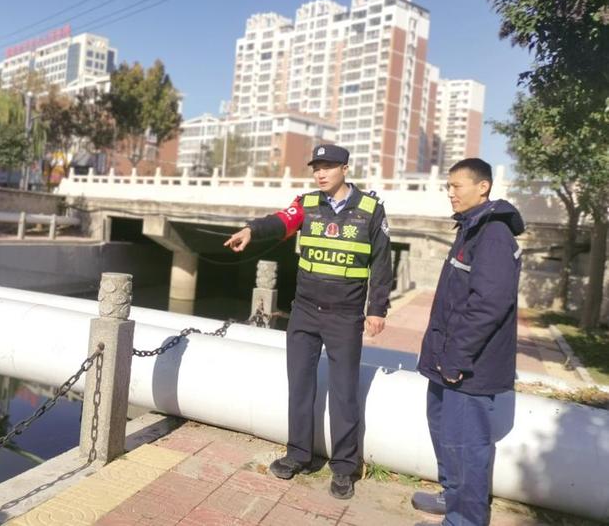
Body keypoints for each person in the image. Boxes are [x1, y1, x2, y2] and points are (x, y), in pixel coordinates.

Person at [224, 144, 392, 500]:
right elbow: (280, 220)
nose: (321, 172)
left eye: (328, 166)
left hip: (345, 316)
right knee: (299, 386)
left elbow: (381, 263)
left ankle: (344, 467)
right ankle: (298, 454)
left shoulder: (370, 210)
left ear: (345, 168)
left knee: (344, 393)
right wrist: (252, 230)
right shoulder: (307, 204)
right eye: (317, 166)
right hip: (303, 311)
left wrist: (377, 308)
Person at [412, 158, 524, 526]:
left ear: (483, 187)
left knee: (467, 445)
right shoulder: (471, 229)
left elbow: (490, 304)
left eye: (457, 186)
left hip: (468, 365)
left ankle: (465, 520)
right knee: (444, 433)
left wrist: (457, 358)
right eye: (449, 186)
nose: (450, 193)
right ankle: (451, 496)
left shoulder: (493, 235)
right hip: (446, 359)